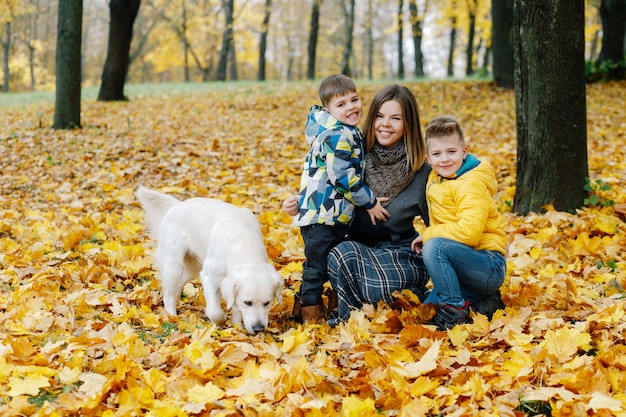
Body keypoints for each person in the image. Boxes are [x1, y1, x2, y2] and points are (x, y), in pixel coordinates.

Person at [285, 84, 432, 326]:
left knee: (380, 284)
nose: (386, 124)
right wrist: (299, 202)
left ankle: (354, 300)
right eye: (380, 116)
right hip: (355, 254)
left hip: (400, 254)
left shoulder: (421, 171)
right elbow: (327, 183)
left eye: (395, 118)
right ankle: (338, 304)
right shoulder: (356, 156)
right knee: (339, 255)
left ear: (409, 124)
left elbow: (438, 223)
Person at [291, 74, 389, 323]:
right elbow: (343, 178)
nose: (351, 107)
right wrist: (370, 202)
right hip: (323, 215)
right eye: (341, 104)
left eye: (354, 99)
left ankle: (322, 305)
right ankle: (309, 314)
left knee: (324, 262)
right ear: (328, 109)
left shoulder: (345, 130)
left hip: (330, 212)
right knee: (316, 268)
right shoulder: (337, 135)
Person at [411, 115, 507, 330]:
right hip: (464, 265)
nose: (444, 159)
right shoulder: (437, 178)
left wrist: (429, 234)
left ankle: (455, 311)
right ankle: (486, 304)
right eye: (437, 154)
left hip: (487, 264)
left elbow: (470, 233)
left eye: (451, 152)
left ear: (464, 152)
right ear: (428, 158)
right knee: (428, 310)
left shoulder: (470, 183)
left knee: (434, 246)